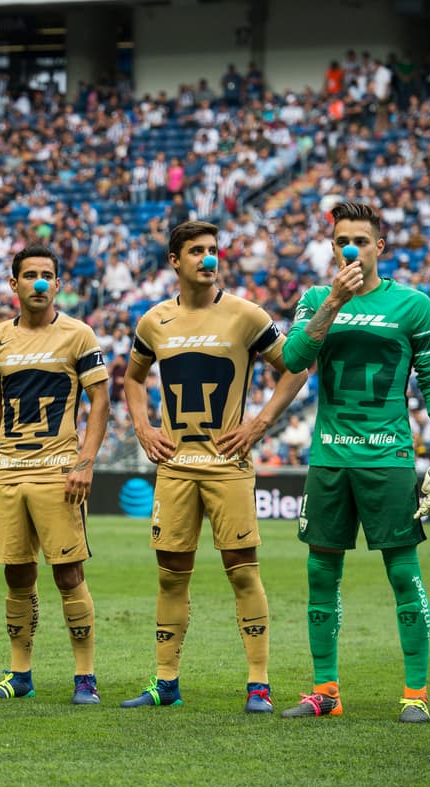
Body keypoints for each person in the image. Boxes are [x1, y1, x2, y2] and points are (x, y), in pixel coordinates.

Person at [279, 201, 430, 723]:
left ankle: (415, 694)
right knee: (320, 573)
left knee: (403, 573)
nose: (351, 249)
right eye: (342, 240)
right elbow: (293, 360)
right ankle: (326, 692)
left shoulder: (413, 305)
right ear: (332, 246)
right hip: (329, 455)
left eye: (361, 240)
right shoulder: (317, 298)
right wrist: (334, 302)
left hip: (388, 455)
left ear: (380, 246)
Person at [121, 221, 309, 713]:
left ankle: (258, 685)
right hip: (175, 465)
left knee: (242, 572)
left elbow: (296, 367)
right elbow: (132, 379)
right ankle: (165, 683)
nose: (208, 258)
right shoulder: (153, 321)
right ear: (175, 261)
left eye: (213, 250)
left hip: (228, 465)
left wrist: (260, 424)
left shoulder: (247, 316)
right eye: (197, 251)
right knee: (170, 576)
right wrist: (143, 428)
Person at [0, 245, 111, 705]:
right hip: (11, 471)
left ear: (58, 285)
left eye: (46, 275)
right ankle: (19, 674)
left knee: (68, 573)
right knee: (17, 574)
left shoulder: (79, 335)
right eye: (29, 274)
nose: (38, 282)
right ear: (13, 284)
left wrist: (84, 461)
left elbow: (100, 403)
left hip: (59, 473)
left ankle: (85, 676)